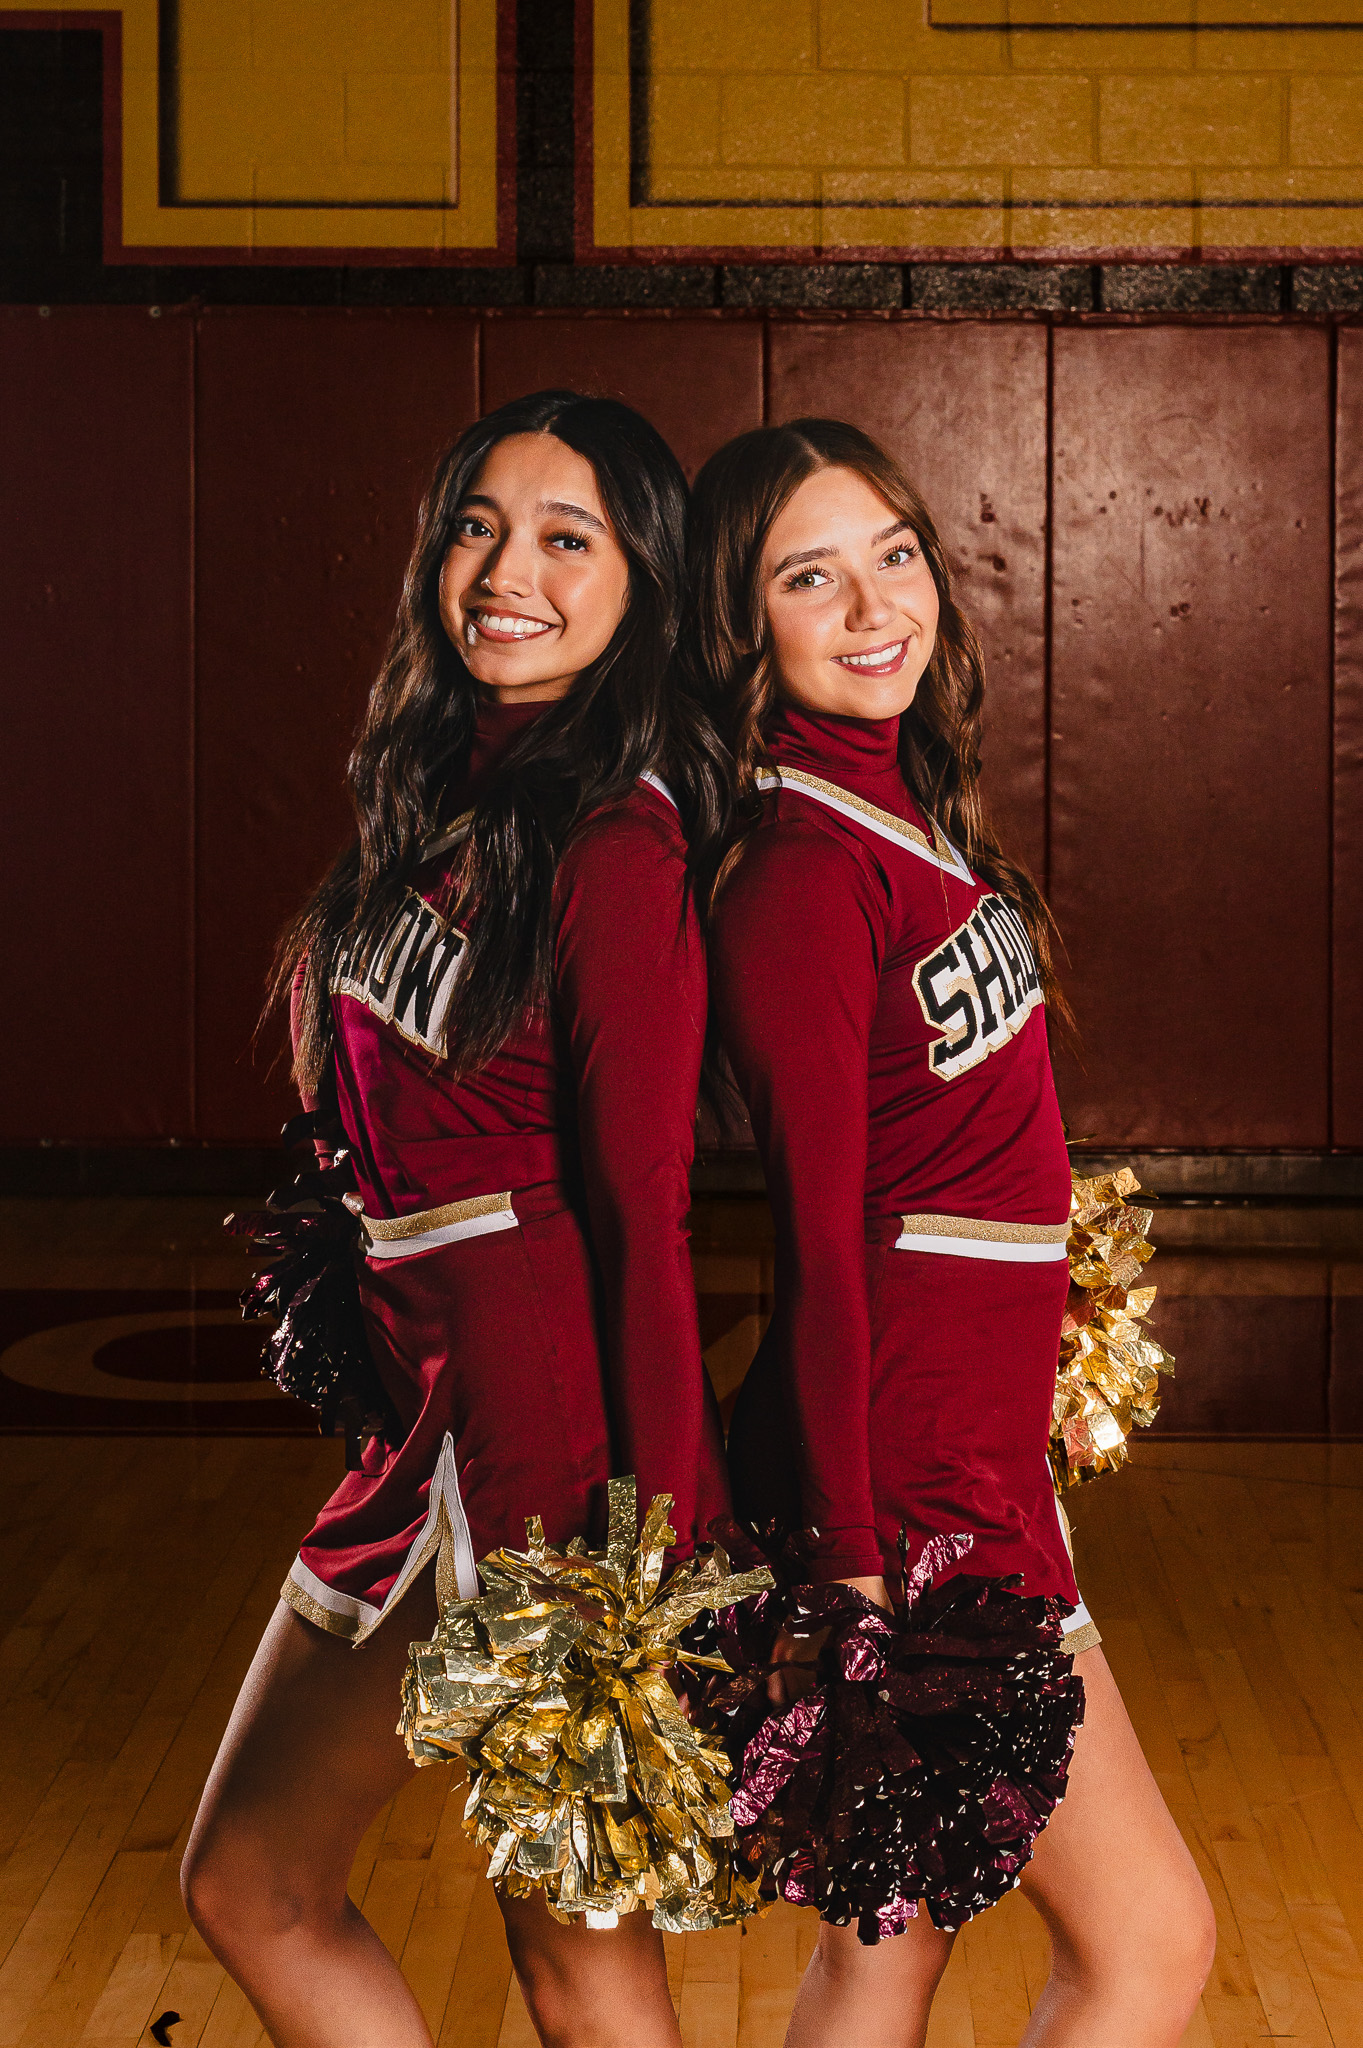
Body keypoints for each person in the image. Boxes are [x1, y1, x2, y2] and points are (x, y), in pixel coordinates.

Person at [182, 390, 731, 2048]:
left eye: (570, 538)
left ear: (642, 579)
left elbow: (643, 1207)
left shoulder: (615, 838)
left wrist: (669, 1547)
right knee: (251, 1882)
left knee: (577, 1961)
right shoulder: (437, 796)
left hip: (544, 1453)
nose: (510, 569)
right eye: (481, 524)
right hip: (421, 1421)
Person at [690, 419, 1216, 2048]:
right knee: (1150, 1943)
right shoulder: (797, 871)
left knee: (892, 1945)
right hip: (918, 1489)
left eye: (893, 556)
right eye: (809, 575)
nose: (871, 607)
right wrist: (853, 1571)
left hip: (966, 1449)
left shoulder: (901, 816)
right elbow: (822, 1253)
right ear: (741, 623)